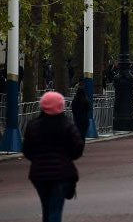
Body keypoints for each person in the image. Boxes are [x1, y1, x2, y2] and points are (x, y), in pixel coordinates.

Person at [23, 91, 83, 222]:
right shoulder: (67, 125)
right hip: (61, 173)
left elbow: (27, 150)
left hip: (39, 174)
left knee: (46, 208)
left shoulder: (33, 126)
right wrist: (67, 158)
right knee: (55, 210)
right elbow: (77, 148)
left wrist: (38, 160)